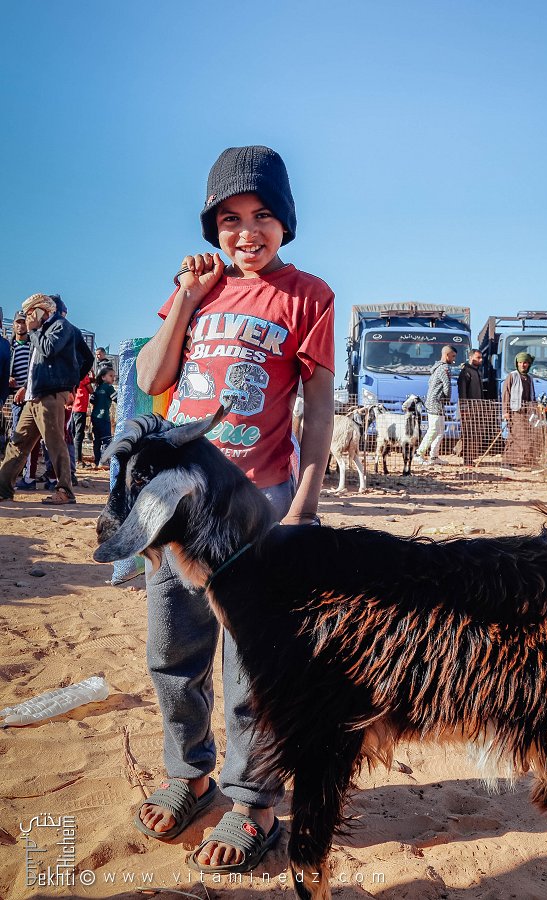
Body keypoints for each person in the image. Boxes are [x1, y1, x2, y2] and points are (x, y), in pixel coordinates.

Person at [134, 145, 334, 874]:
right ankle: (189, 774)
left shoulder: (307, 295)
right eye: (229, 219)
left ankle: (252, 798)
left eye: (262, 217)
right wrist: (185, 297)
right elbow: (154, 377)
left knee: (251, 665)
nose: (247, 232)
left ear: (285, 223)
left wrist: (303, 508)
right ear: (212, 226)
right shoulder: (199, 289)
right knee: (171, 653)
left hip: (254, 511)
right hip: (175, 507)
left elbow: (316, 413)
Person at [0, 294, 91, 504]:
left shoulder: (61, 326)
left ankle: (65, 490)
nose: (29, 316)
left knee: (54, 442)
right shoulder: (38, 332)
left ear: (43, 311)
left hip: (51, 394)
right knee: (18, 442)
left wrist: (70, 384)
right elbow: (35, 365)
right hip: (34, 396)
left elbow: (51, 350)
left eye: (32, 311)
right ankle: (3, 488)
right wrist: (25, 387)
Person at [9, 311, 39, 489]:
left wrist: (26, 388)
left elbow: (36, 370)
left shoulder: (33, 346)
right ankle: (16, 473)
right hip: (15, 399)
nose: (20, 325)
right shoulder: (10, 346)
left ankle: (29, 476)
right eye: (18, 322)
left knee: (31, 439)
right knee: (16, 437)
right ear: (14, 325)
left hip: (31, 397)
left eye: (23, 322)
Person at [414, 344, 457, 466]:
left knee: (440, 430)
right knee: (434, 429)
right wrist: (447, 398)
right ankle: (419, 454)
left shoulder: (436, 368)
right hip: (436, 402)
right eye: (453, 356)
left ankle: (434, 456)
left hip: (434, 401)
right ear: (446, 355)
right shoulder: (445, 368)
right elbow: (447, 385)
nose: (454, 359)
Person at [501, 352, 537, 470]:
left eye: (525, 363)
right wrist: (505, 411)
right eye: (520, 362)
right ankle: (507, 462)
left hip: (527, 412)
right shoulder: (512, 376)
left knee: (527, 437)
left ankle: (523, 461)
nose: (523, 365)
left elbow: (533, 395)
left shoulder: (529, 378)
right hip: (515, 412)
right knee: (516, 437)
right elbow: (506, 394)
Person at [457, 348, 484, 467]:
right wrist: (464, 408)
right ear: (471, 357)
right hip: (468, 408)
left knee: (475, 434)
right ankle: (466, 459)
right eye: (478, 358)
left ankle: (471, 457)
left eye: (481, 357)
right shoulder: (465, 372)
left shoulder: (477, 371)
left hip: (477, 408)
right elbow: (462, 391)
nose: (481, 360)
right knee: (468, 433)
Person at [90, 367, 117, 467]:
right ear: (103, 377)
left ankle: (97, 461)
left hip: (95, 416)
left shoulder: (98, 388)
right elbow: (117, 399)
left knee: (97, 440)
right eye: (111, 376)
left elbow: (92, 400)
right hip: (104, 417)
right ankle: (105, 461)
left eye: (114, 376)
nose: (113, 378)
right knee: (106, 440)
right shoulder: (109, 388)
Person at [72, 371, 94, 467]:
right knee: (79, 434)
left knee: (73, 433)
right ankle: (78, 460)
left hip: (74, 407)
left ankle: (74, 457)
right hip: (80, 408)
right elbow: (91, 390)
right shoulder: (83, 375)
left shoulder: (75, 373)